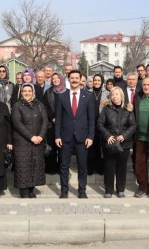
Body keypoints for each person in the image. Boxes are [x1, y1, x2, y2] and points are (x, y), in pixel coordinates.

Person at [55, 70, 95, 199]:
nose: (74, 80)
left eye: (77, 78)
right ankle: (64, 191)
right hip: (65, 137)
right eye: (72, 78)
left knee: (82, 166)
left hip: (82, 137)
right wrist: (57, 136)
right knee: (64, 165)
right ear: (68, 79)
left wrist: (90, 136)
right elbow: (59, 118)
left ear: (80, 79)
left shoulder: (88, 96)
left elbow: (91, 119)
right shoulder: (61, 96)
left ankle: (82, 191)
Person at [97, 87, 136, 198]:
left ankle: (120, 189)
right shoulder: (106, 109)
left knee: (121, 167)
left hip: (124, 143)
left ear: (121, 96)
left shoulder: (128, 109)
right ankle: (108, 190)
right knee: (109, 167)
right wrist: (107, 136)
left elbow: (133, 125)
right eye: (113, 94)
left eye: (117, 94)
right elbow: (100, 124)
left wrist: (125, 135)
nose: (115, 96)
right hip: (110, 142)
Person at [11, 83, 48, 198]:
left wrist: (40, 136)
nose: (27, 93)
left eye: (29, 91)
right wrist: (31, 137)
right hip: (22, 141)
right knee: (23, 166)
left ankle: (31, 189)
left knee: (35, 164)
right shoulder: (17, 106)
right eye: (24, 91)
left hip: (38, 141)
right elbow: (17, 123)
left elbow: (45, 121)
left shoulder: (40, 105)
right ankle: (24, 191)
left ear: (33, 92)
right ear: (21, 93)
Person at [42, 73, 66, 174]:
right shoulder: (48, 92)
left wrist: (60, 118)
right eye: (54, 78)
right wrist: (53, 117)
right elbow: (44, 107)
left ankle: (62, 168)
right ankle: (51, 168)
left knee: (63, 148)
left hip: (64, 124)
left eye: (57, 78)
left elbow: (69, 108)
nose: (56, 80)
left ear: (61, 79)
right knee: (51, 146)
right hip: (51, 124)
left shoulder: (66, 92)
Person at [88, 74, 108, 176]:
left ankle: (100, 168)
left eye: (98, 80)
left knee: (100, 146)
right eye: (95, 80)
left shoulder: (107, 93)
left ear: (102, 82)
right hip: (90, 123)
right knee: (91, 146)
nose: (96, 82)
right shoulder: (87, 93)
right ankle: (90, 168)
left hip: (102, 123)